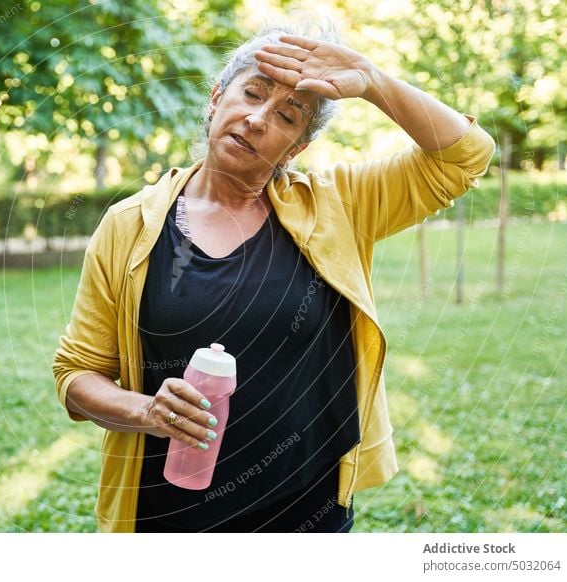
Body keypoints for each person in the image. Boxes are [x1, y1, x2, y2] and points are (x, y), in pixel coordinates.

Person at [52, 22, 495, 533]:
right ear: (217, 98)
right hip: (167, 518)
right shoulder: (129, 225)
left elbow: (465, 156)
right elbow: (76, 374)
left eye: (287, 116)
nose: (258, 119)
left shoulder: (341, 205)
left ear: (295, 149)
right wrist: (149, 410)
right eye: (251, 93)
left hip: (307, 517)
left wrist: (371, 80)